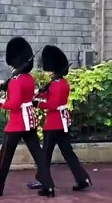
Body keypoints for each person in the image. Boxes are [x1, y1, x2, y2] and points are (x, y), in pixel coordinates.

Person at [0, 37, 55, 197]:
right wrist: (1, 84)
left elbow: (13, 104)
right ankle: (48, 185)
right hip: (29, 121)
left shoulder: (16, 80)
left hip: (17, 122)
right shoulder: (28, 78)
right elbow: (19, 90)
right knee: (39, 155)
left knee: (5, 156)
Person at [27, 45, 93, 191]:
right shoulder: (61, 83)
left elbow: (53, 104)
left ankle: (44, 181)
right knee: (68, 153)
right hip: (63, 123)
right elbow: (49, 96)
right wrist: (39, 94)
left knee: (45, 155)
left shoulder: (56, 85)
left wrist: (36, 103)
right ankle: (83, 179)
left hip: (54, 124)